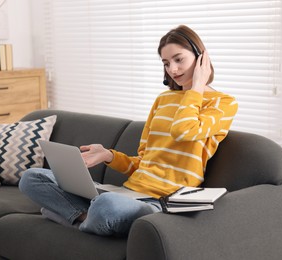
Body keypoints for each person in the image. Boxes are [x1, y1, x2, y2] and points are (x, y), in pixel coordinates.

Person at [19, 25, 238, 237]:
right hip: (127, 193)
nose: (172, 69)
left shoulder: (223, 104)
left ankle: (74, 219)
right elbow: (143, 162)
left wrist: (197, 88)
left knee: (106, 206)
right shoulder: (163, 100)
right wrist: (109, 155)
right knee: (32, 177)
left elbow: (184, 130)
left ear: (201, 58)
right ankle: (85, 216)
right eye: (166, 63)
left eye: (179, 59)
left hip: (159, 203)